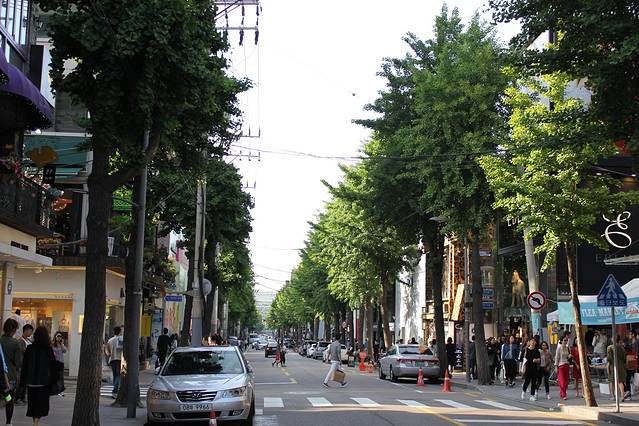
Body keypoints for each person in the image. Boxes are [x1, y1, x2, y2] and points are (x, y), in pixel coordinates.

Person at [20, 326, 58, 426]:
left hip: (31, 381)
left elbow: (25, 366)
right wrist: (54, 380)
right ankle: (36, 422)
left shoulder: (29, 348)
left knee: (33, 404)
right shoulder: (48, 349)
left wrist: (23, 381)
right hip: (43, 382)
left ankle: (35, 422)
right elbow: (53, 366)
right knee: (41, 404)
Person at [0, 319, 20, 424]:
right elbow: (18, 362)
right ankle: (8, 422)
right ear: (14, 329)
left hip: (0, 376)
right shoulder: (15, 343)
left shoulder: (0, 340)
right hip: (10, 376)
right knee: (9, 399)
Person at [15, 324, 33, 405]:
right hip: (22, 364)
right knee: (20, 382)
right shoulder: (20, 341)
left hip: (28, 364)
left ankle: (23, 397)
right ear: (26, 330)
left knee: (25, 382)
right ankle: (17, 398)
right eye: (30, 331)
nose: (31, 333)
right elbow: (22, 351)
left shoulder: (29, 340)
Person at [104, 326, 123, 397]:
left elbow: (107, 351)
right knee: (118, 375)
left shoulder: (110, 340)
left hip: (112, 360)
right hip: (120, 359)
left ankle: (115, 389)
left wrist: (109, 354)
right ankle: (115, 391)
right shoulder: (122, 339)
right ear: (120, 332)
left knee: (115, 375)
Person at [608, 335, 627, 401]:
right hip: (621, 366)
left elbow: (609, 359)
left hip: (613, 366)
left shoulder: (609, 347)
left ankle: (613, 396)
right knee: (620, 381)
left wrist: (608, 366)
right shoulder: (622, 347)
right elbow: (624, 358)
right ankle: (622, 396)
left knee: (611, 381)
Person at [555, 335, 571, 400]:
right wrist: (556, 366)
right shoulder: (559, 348)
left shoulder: (567, 348)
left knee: (566, 381)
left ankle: (562, 393)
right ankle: (564, 395)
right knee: (562, 381)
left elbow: (568, 356)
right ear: (561, 341)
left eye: (567, 340)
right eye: (564, 340)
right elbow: (557, 357)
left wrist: (569, 356)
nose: (566, 342)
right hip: (561, 365)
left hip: (567, 364)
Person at [51, 332, 66, 397]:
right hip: (55, 362)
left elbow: (64, 351)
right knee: (55, 376)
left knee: (61, 377)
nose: (59, 338)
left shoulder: (61, 344)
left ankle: (61, 390)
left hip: (61, 363)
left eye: (60, 337)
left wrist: (62, 344)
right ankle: (55, 390)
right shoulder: (52, 344)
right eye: (58, 336)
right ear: (55, 337)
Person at [624, 330, 638, 401]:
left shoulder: (637, 342)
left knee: (636, 378)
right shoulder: (630, 343)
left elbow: (637, 353)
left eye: (630, 334)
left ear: (633, 335)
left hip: (635, 363)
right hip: (629, 362)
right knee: (627, 379)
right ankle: (628, 394)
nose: (629, 335)